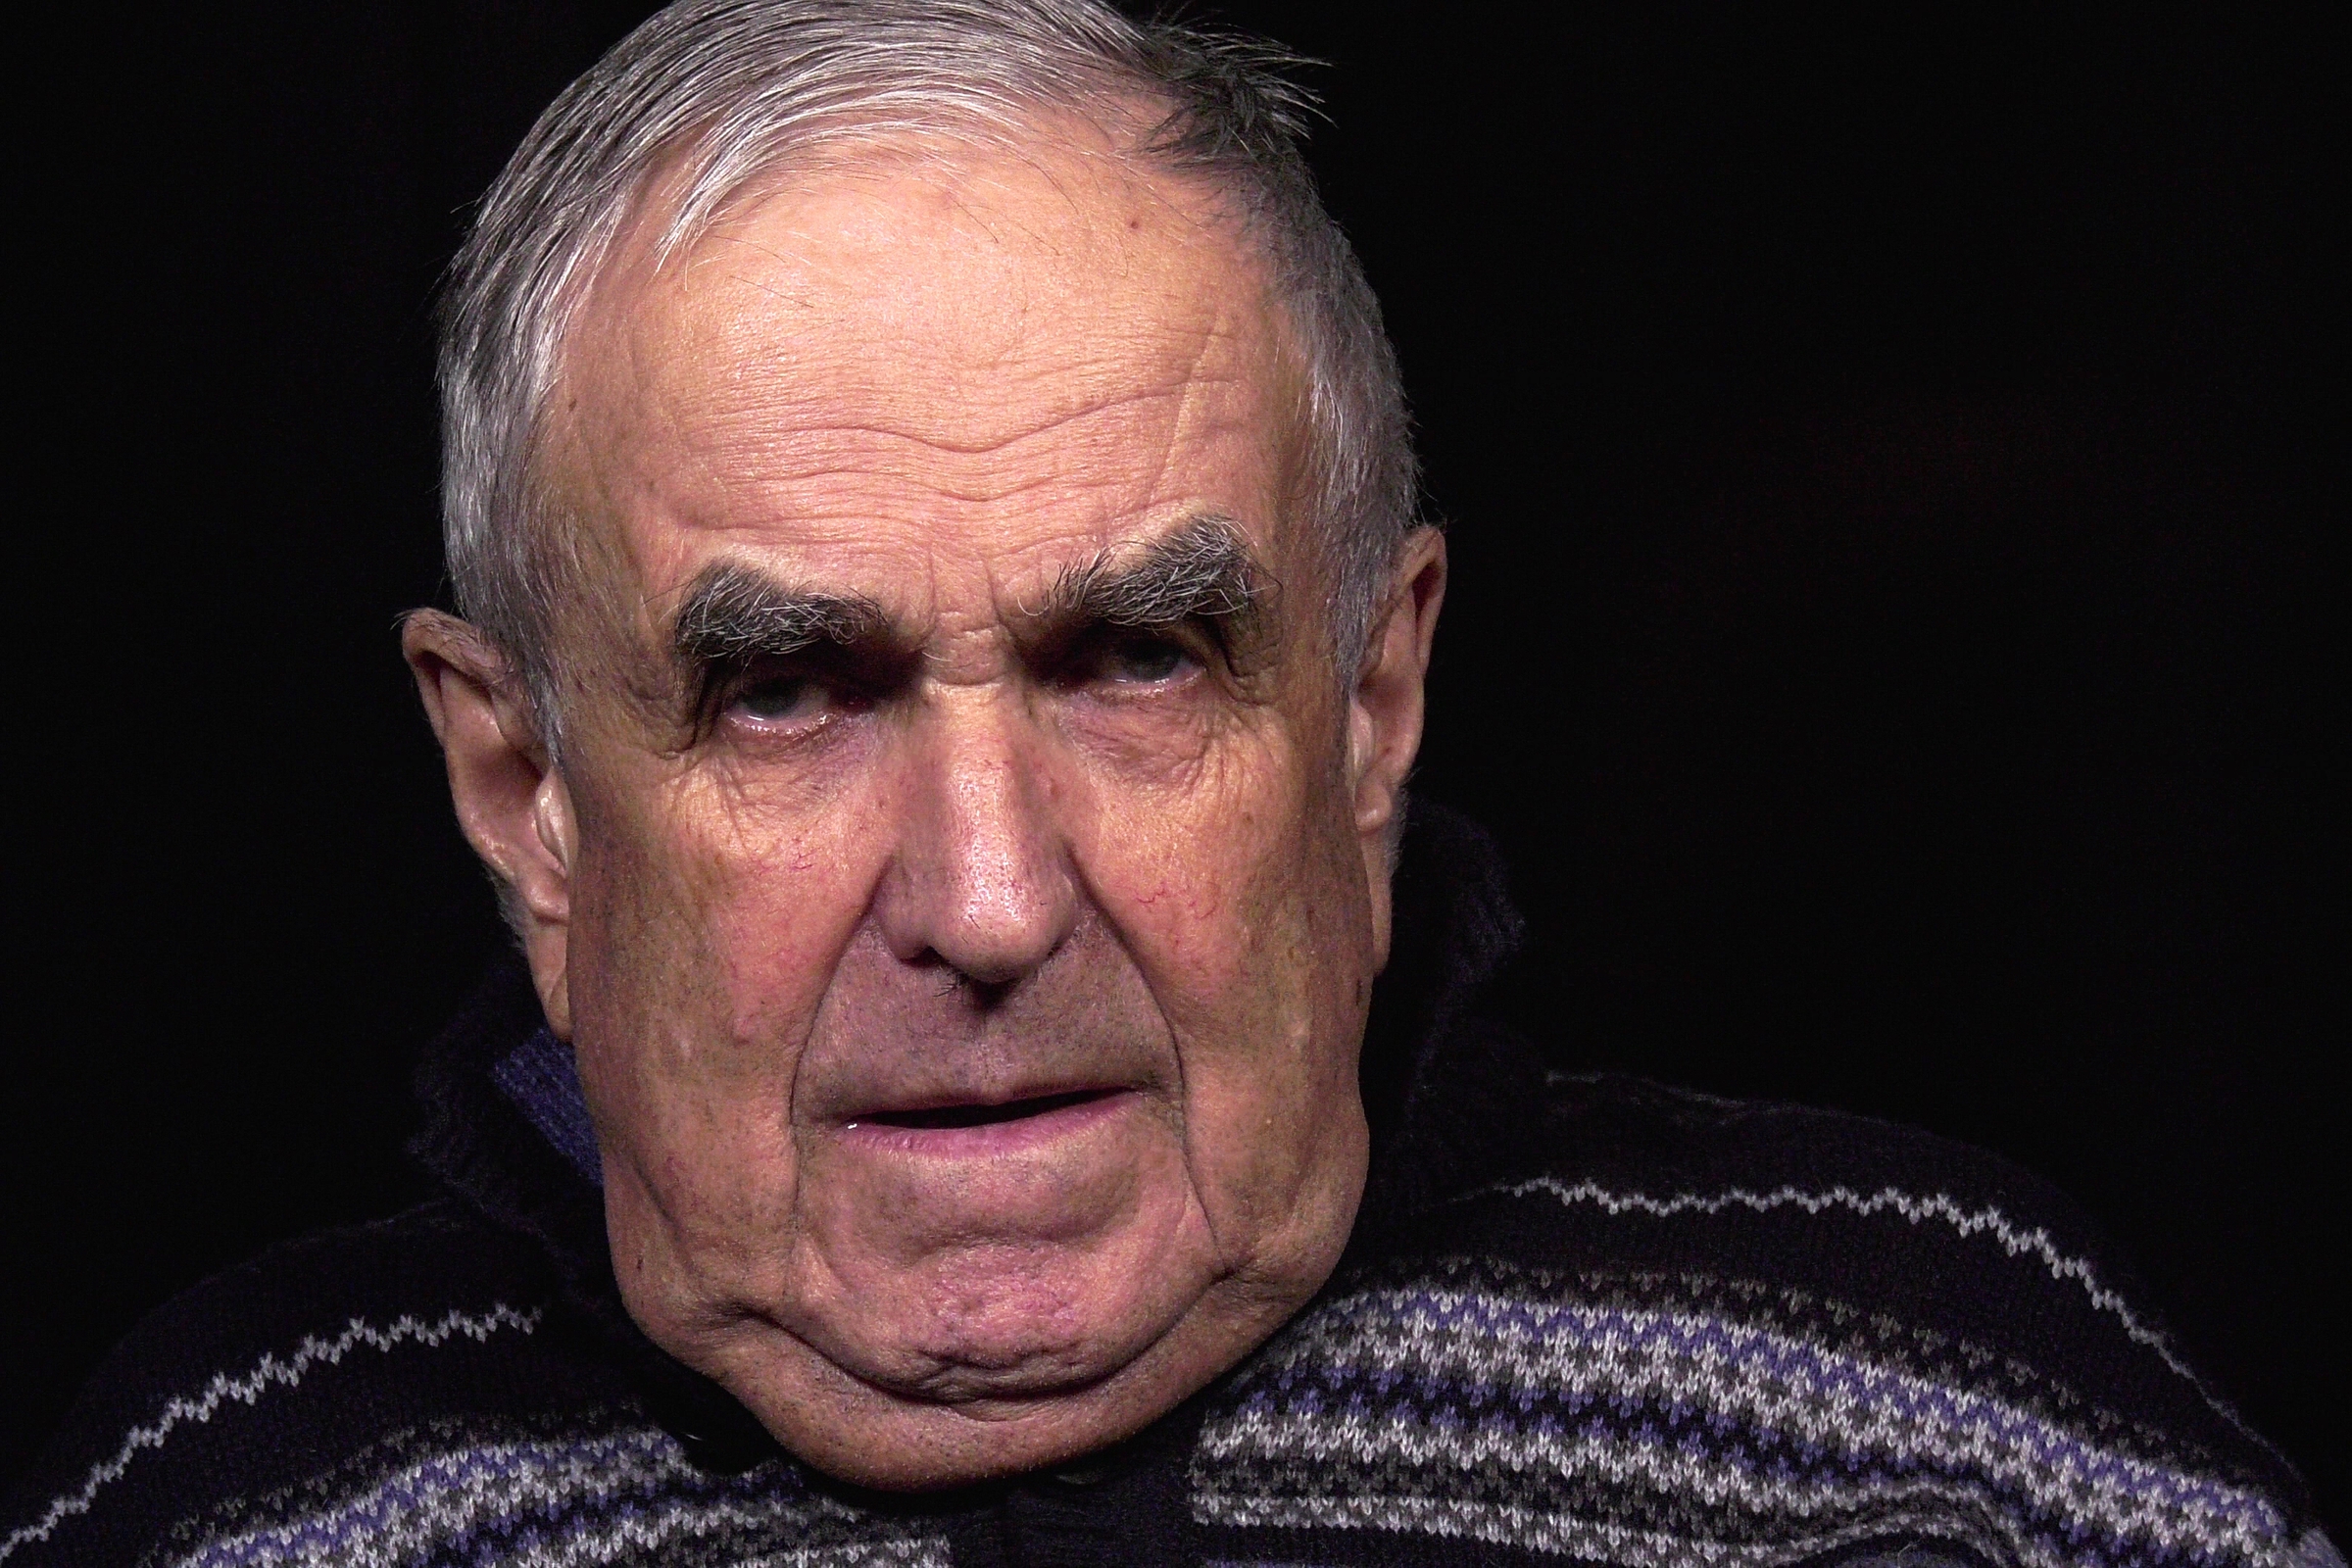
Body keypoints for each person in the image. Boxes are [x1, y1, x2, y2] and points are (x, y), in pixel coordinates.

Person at [4, 2, 2332, 1564]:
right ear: (526, 793)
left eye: (1135, 656)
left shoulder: (1955, 1429)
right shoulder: (228, 1505)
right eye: (792, 691)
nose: (992, 897)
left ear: (1371, 710)